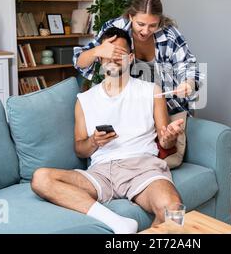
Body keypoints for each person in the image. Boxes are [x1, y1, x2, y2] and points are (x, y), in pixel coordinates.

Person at [31, 27, 185, 234]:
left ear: (130, 58)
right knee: (41, 178)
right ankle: (118, 222)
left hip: (143, 168)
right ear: (100, 59)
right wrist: (94, 141)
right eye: (107, 54)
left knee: (175, 211)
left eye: (119, 54)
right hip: (101, 172)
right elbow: (80, 149)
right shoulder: (84, 100)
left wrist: (170, 137)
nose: (113, 59)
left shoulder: (152, 91)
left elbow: (166, 142)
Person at [73, 0, 200, 116]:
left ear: (159, 21)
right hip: (130, 109)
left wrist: (188, 83)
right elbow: (79, 62)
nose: (145, 31)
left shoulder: (170, 35)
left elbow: (189, 67)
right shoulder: (115, 28)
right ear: (130, 16)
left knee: (173, 136)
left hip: (169, 107)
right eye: (141, 24)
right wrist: (97, 50)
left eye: (152, 25)